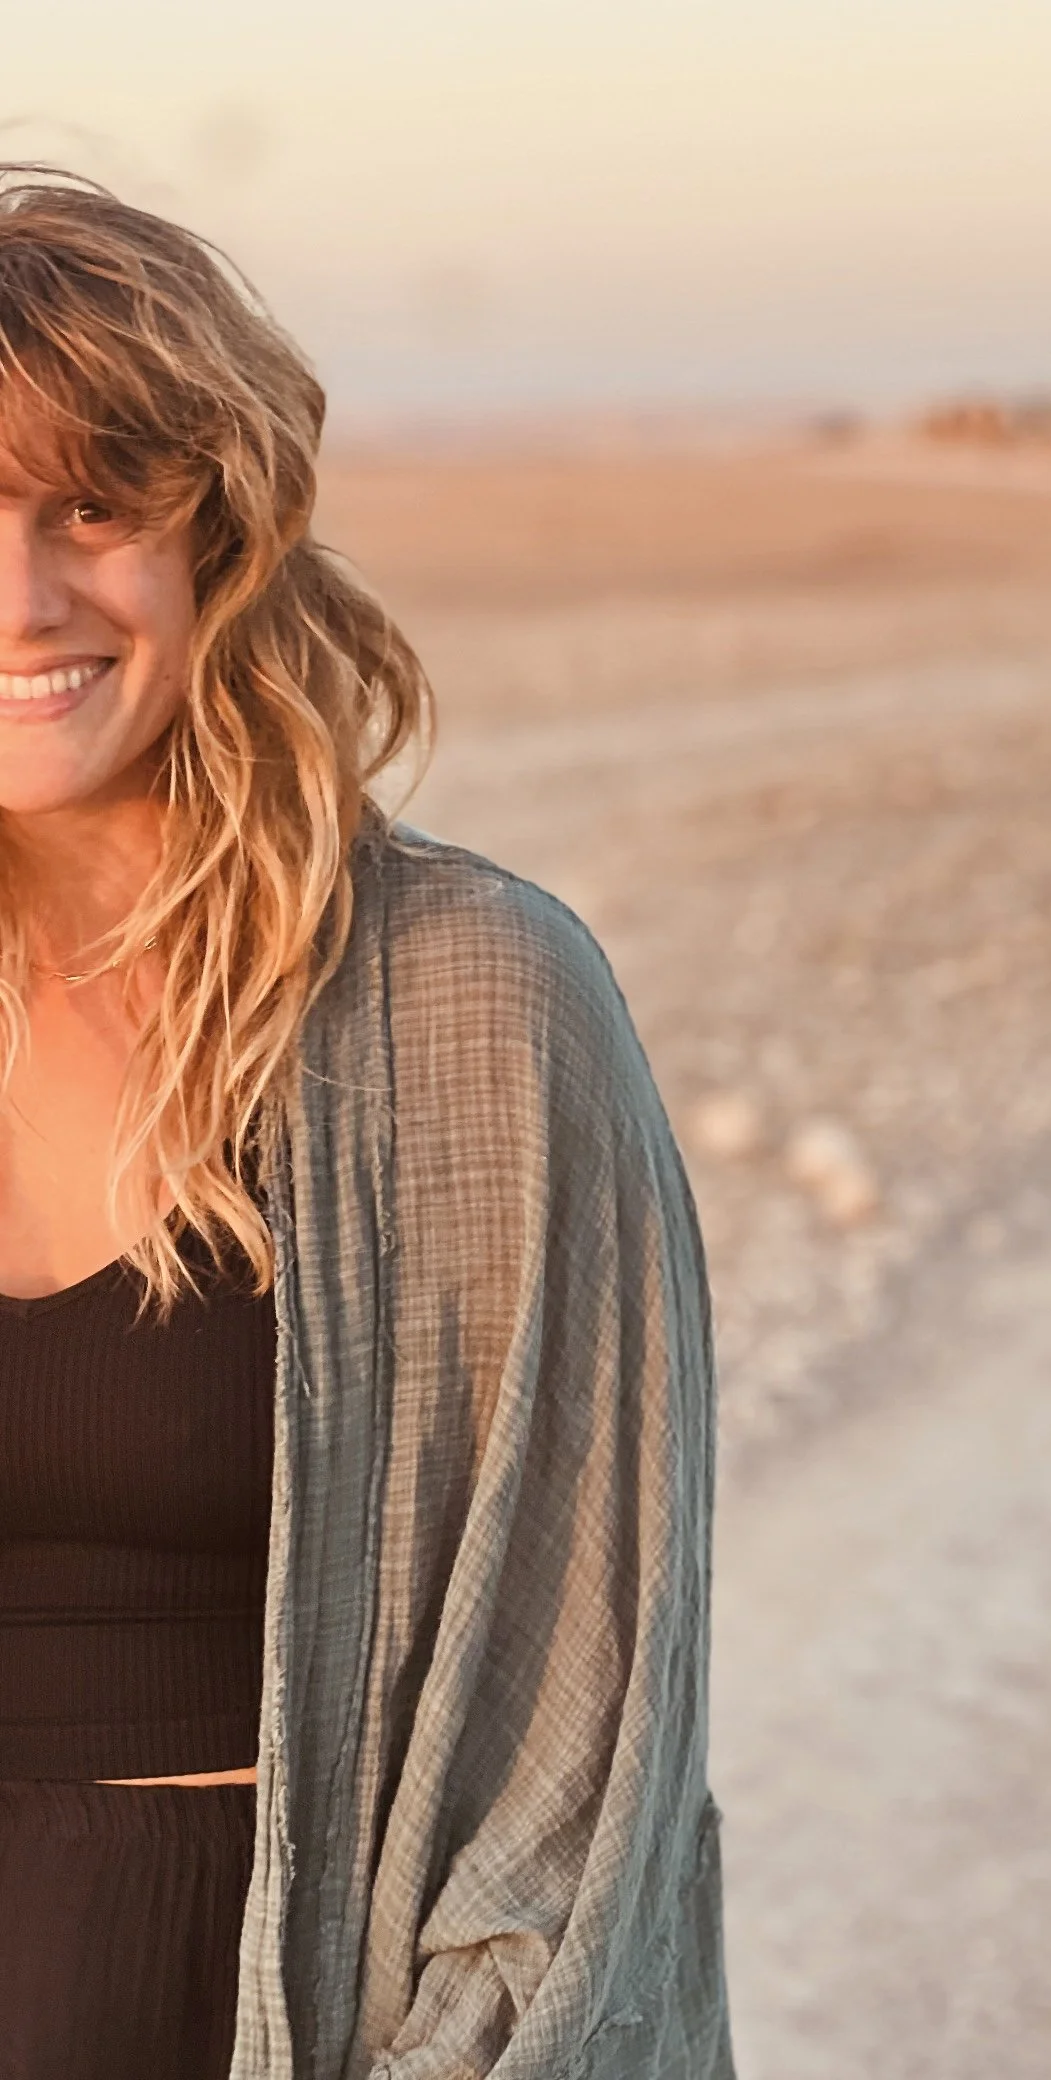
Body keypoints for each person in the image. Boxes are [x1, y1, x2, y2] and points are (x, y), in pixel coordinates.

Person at [0, 164, 734, 2079]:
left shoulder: (467, 1005)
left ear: (219, 533)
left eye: (92, 506)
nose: (25, 593)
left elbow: (577, 1760)